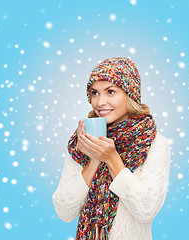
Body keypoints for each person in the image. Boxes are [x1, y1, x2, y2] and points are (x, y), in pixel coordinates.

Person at [52, 57, 171, 240]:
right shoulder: (82, 141)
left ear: (129, 94)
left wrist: (111, 158)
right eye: (95, 93)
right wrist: (93, 160)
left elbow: (146, 210)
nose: (100, 102)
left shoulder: (154, 143)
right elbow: (64, 211)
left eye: (110, 91)